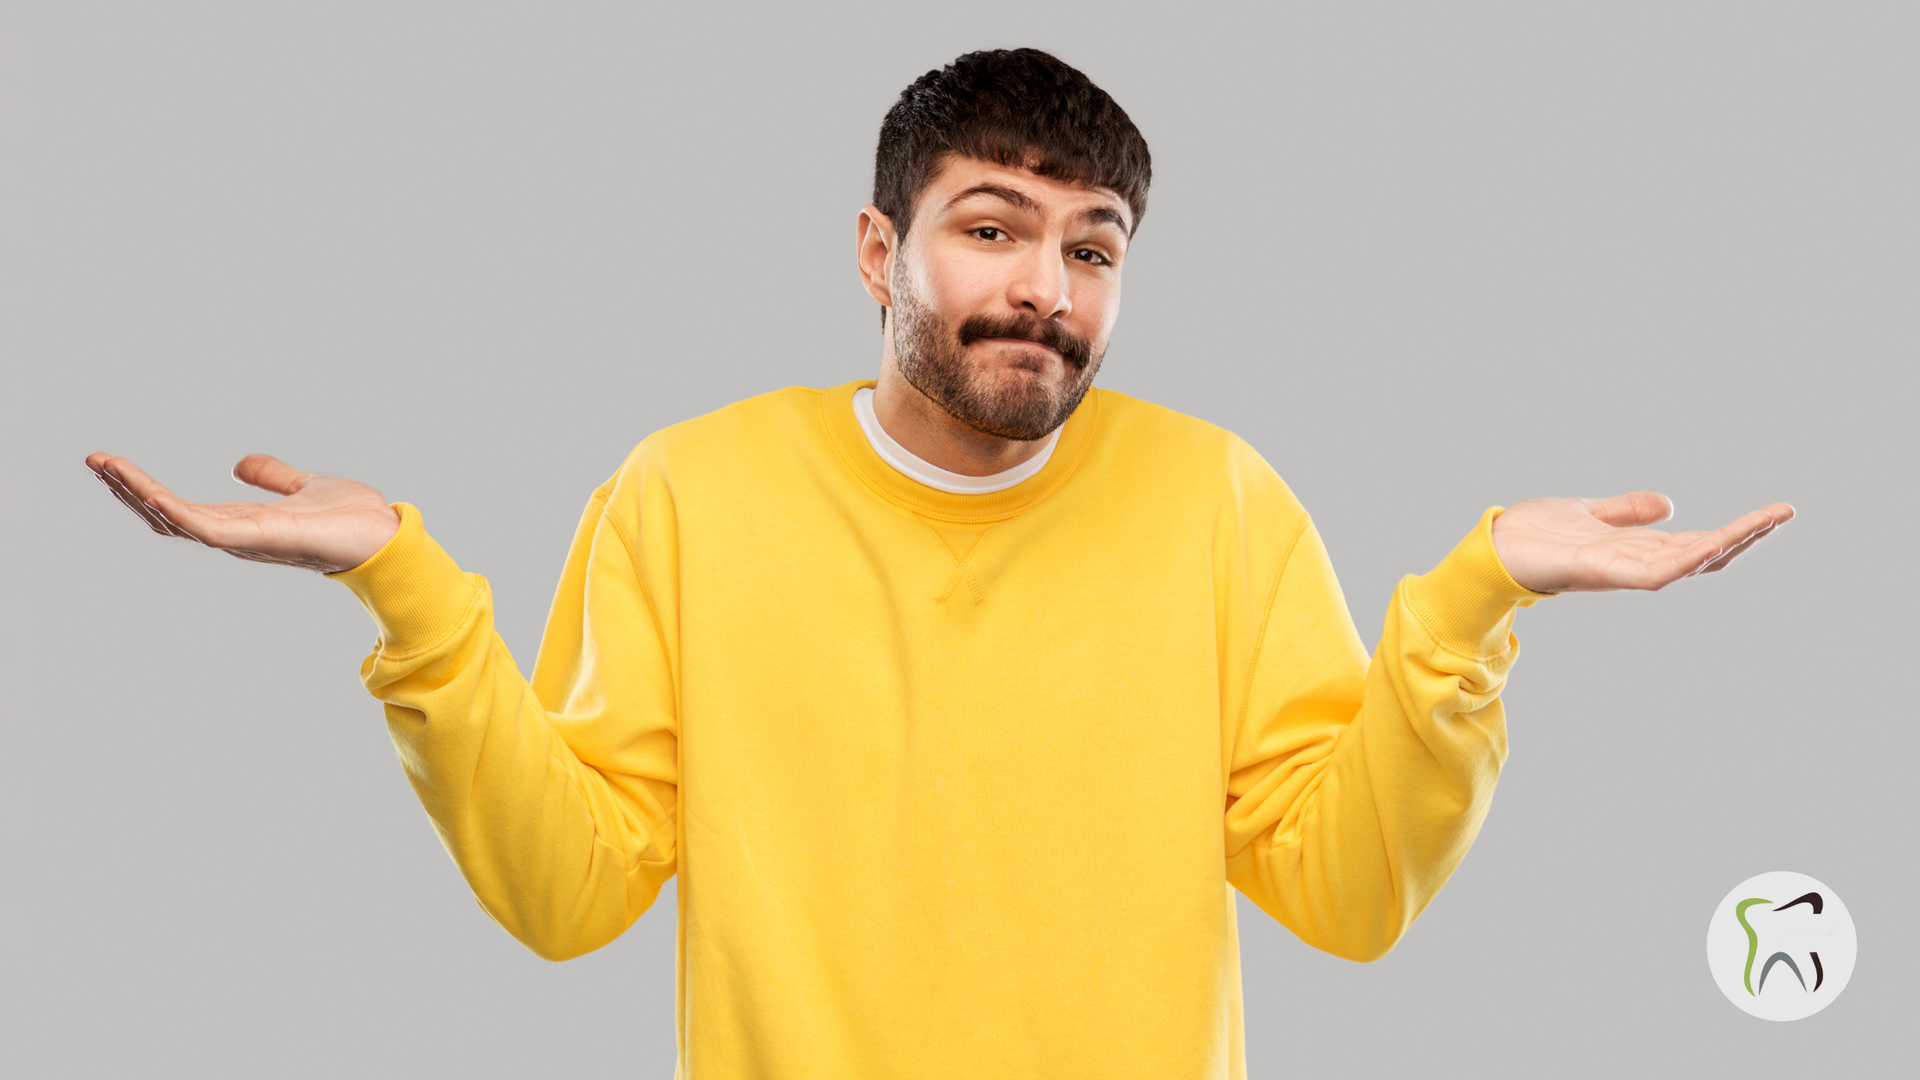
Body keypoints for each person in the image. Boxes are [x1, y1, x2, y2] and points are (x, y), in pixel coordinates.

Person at [84, 48, 1789, 1079]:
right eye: (991, 229)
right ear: (878, 247)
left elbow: (1342, 897)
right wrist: (413, 598)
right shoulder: (689, 489)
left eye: (1091, 248)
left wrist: (1473, 602)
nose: (1045, 286)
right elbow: (571, 890)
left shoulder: (1219, 499)